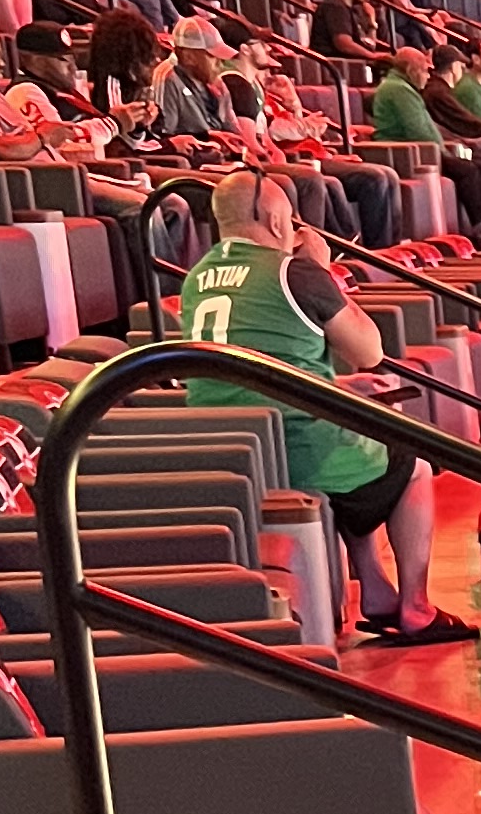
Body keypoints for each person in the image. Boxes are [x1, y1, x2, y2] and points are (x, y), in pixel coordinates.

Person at [176, 169, 459, 643]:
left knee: (356, 431)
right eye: (291, 214)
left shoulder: (196, 278)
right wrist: (325, 271)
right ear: (272, 218)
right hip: (294, 443)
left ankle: (374, 591)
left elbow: (259, 357)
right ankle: (415, 606)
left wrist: (338, 384)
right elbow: (369, 348)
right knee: (413, 468)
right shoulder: (295, 272)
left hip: (228, 444)